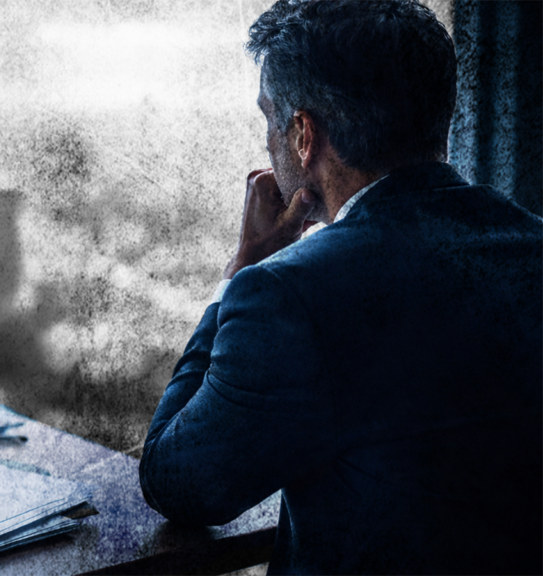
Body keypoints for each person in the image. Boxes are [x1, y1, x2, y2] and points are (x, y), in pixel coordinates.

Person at [139, 0, 543, 573]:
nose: (267, 143)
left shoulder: (289, 296)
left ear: (304, 133)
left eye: (269, 119)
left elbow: (178, 481)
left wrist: (243, 267)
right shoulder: (532, 246)